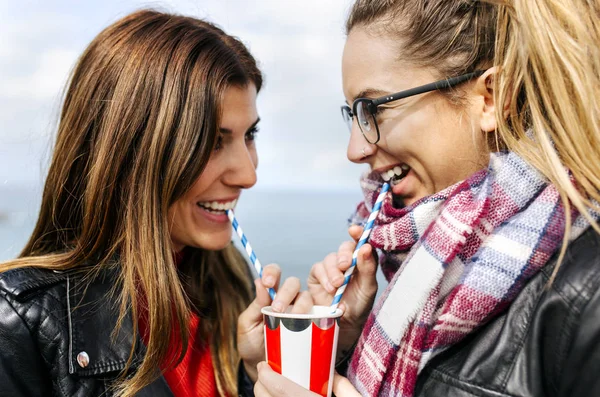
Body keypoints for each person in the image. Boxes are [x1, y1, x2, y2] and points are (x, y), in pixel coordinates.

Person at [254, 0, 600, 396]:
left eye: (374, 109)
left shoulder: (587, 293)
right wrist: (346, 346)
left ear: (489, 97)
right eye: (353, 114)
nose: (354, 149)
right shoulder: (421, 279)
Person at [0, 9, 311, 397]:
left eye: (250, 135)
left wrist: (258, 374)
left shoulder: (234, 289)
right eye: (214, 141)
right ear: (133, 153)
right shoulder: (17, 324)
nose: (248, 175)